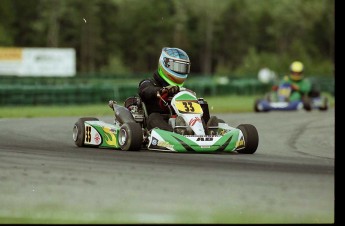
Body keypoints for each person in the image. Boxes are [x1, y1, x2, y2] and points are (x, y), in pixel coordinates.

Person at [138, 47, 219, 133]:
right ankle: (175, 135)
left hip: (180, 119)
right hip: (158, 120)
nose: (179, 71)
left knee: (202, 104)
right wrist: (162, 90)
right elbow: (145, 90)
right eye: (177, 67)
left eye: (183, 68)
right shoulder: (149, 82)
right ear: (164, 64)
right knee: (154, 117)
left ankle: (207, 130)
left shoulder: (180, 90)